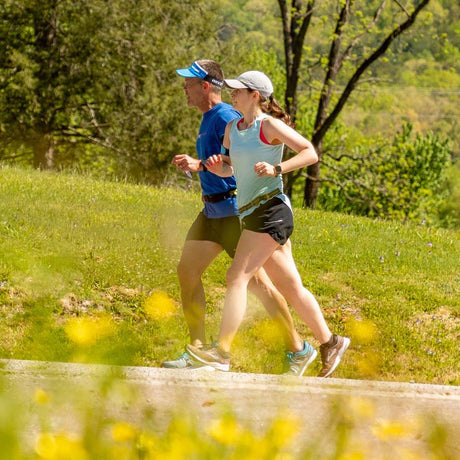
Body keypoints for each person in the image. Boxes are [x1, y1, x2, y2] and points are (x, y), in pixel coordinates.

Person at [186, 70, 350, 377]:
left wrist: (277, 168)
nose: (232, 93)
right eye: (232, 89)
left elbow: (309, 153)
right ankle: (331, 342)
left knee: (237, 276)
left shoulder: (269, 125)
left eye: (238, 90)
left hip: (271, 209)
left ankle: (222, 352)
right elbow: (229, 169)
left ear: (255, 96)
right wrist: (211, 165)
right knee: (290, 286)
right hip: (250, 212)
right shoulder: (233, 128)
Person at [163, 60, 316, 375]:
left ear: (205, 86)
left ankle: (298, 348)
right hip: (211, 211)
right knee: (187, 270)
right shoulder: (209, 119)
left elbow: (239, 165)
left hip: (234, 211)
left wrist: (206, 164)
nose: (184, 89)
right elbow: (220, 162)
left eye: (189, 84)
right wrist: (199, 165)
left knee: (259, 285)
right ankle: (198, 350)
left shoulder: (227, 118)